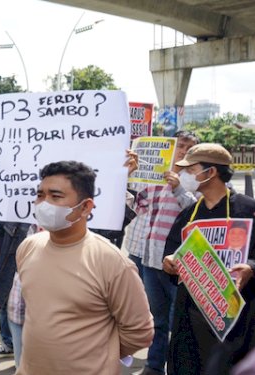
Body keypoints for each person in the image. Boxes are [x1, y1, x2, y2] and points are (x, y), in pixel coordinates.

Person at [16, 160, 154, 374]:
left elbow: (140, 331)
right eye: (40, 195)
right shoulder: (28, 247)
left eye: (56, 196)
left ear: (86, 207)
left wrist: (99, 354)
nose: (44, 203)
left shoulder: (111, 262)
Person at [162, 143, 255, 374]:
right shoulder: (188, 214)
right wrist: (169, 262)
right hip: (190, 316)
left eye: (191, 170)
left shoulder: (248, 209)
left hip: (235, 320)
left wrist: (251, 267)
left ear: (211, 172)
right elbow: (171, 250)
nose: (185, 175)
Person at [123, 130, 199, 375]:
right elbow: (139, 206)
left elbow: (198, 214)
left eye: (190, 147)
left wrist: (178, 189)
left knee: (182, 320)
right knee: (156, 319)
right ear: (172, 147)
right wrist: (128, 178)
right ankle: (154, 366)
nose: (184, 151)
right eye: (181, 145)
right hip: (151, 257)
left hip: (180, 261)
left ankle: (179, 366)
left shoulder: (197, 179)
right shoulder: (155, 177)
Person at [0, 220, 31, 360]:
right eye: (39, 195)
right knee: (7, 308)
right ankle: (10, 345)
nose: (44, 199)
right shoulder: (15, 216)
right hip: (13, 284)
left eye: (56, 196)